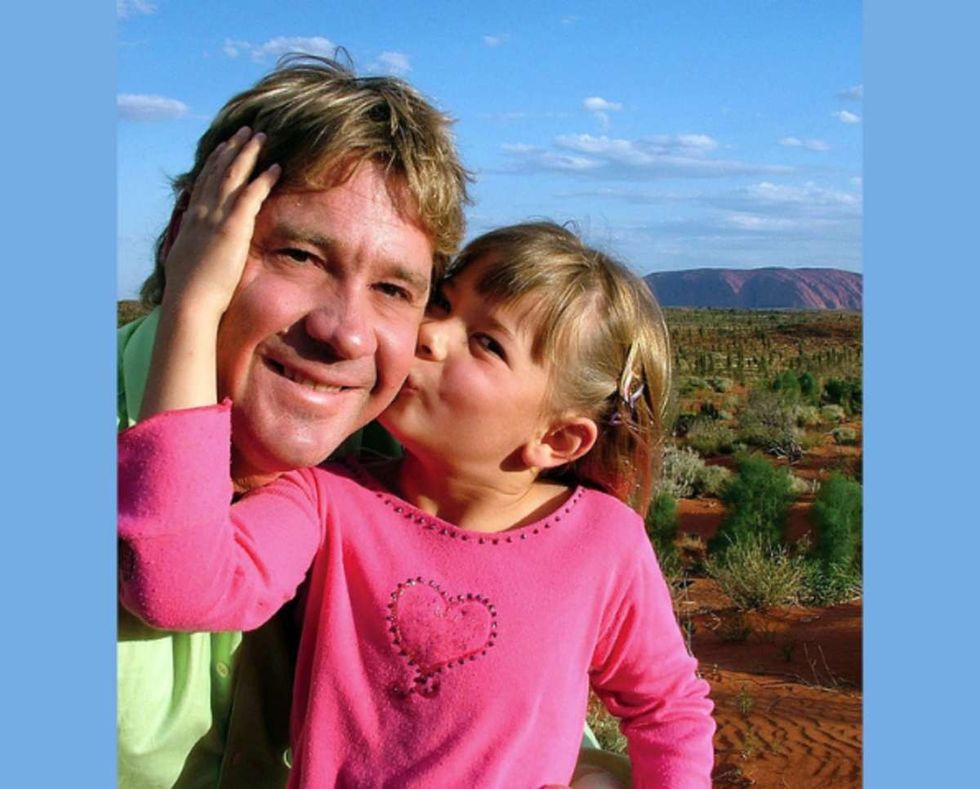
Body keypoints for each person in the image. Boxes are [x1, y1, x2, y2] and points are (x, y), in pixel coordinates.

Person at [118, 121, 716, 787]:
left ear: (557, 440)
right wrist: (194, 301)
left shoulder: (604, 543)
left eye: (486, 343)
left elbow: (669, 709)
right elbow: (177, 584)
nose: (430, 334)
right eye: (444, 303)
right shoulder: (329, 499)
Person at [117, 55, 469, 787]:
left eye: (394, 289)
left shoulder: (408, 474)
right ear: (189, 237)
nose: (347, 333)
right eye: (302, 256)